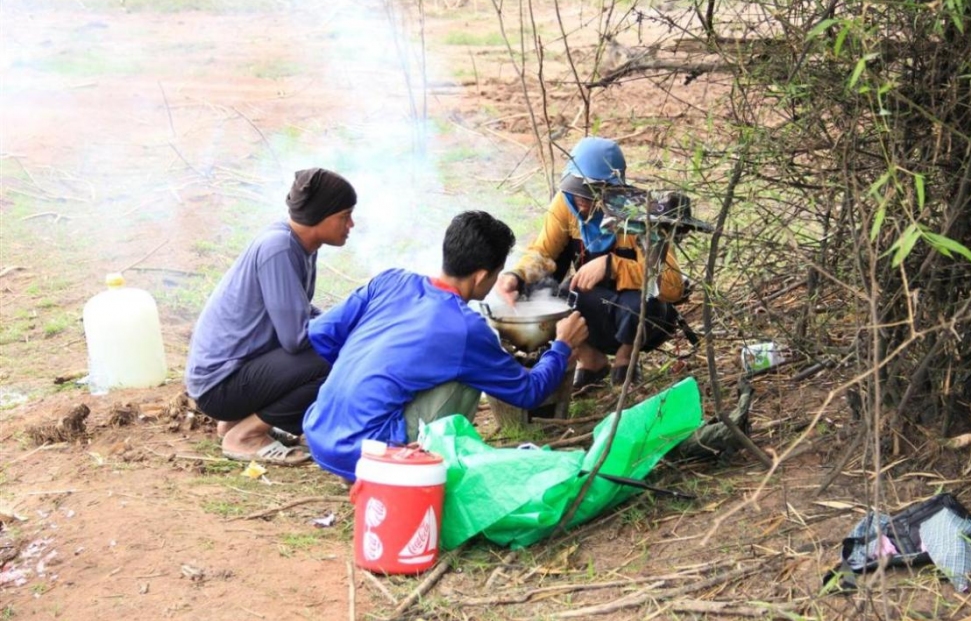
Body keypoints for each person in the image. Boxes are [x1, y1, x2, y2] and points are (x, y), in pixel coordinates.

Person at [302, 210, 589, 482]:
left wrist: (357, 371)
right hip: (371, 454)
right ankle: (423, 470)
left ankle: (359, 466)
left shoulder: (390, 280)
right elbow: (529, 393)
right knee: (464, 375)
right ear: (480, 276)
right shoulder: (466, 328)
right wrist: (561, 346)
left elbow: (322, 333)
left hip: (320, 431)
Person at [185, 168, 357, 466]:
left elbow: (298, 312)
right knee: (334, 356)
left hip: (233, 373)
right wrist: (350, 327)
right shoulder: (278, 247)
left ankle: (237, 421)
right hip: (220, 385)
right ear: (322, 215)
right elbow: (296, 338)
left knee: (336, 345)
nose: (351, 224)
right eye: (345, 215)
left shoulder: (301, 245)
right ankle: (245, 436)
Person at [494, 136, 687, 390]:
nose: (582, 201)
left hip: (635, 313)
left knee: (643, 304)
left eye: (592, 194)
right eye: (577, 191)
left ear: (615, 189)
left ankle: (626, 358)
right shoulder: (566, 203)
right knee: (537, 292)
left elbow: (673, 285)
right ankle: (591, 360)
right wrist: (516, 276)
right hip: (595, 306)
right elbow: (542, 253)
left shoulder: (639, 213)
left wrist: (612, 265)